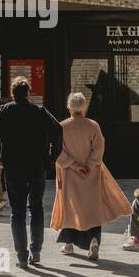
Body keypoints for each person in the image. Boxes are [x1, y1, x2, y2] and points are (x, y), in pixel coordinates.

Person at [0, 76, 64, 269]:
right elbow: (58, 130)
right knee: (36, 208)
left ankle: (22, 256)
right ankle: (35, 252)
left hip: (13, 166)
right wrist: (51, 157)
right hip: (36, 166)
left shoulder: (3, 111)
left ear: (12, 93)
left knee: (17, 211)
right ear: (28, 92)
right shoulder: (38, 111)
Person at [51, 92, 130, 260]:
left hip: (70, 175)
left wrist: (74, 165)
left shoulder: (62, 127)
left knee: (71, 208)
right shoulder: (93, 126)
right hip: (92, 174)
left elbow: (58, 152)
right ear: (84, 106)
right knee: (93, 209)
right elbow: (99, 147)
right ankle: (94, 240)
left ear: (69, 107)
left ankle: (69, 244)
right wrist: (89, 165)